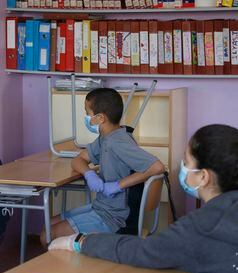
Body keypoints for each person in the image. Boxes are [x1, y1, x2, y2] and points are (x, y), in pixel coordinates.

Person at [49, 124, 238, 273]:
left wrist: (82, 241)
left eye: (186, 163)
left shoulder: (202, 226)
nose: (182, 167)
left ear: (203, 177)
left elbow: (143, 252)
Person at [40, 88, 165, 245]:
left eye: (87, 113)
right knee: (48, 223)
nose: (86, 118)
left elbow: (157, 167)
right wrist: (89, 174)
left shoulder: (117, 142)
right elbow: (78, 160)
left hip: (115, 217)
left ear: (100, 118)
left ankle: (76, 267)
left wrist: (118, 186)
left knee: (48, 236)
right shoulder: (106, 138)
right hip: (101, 207)